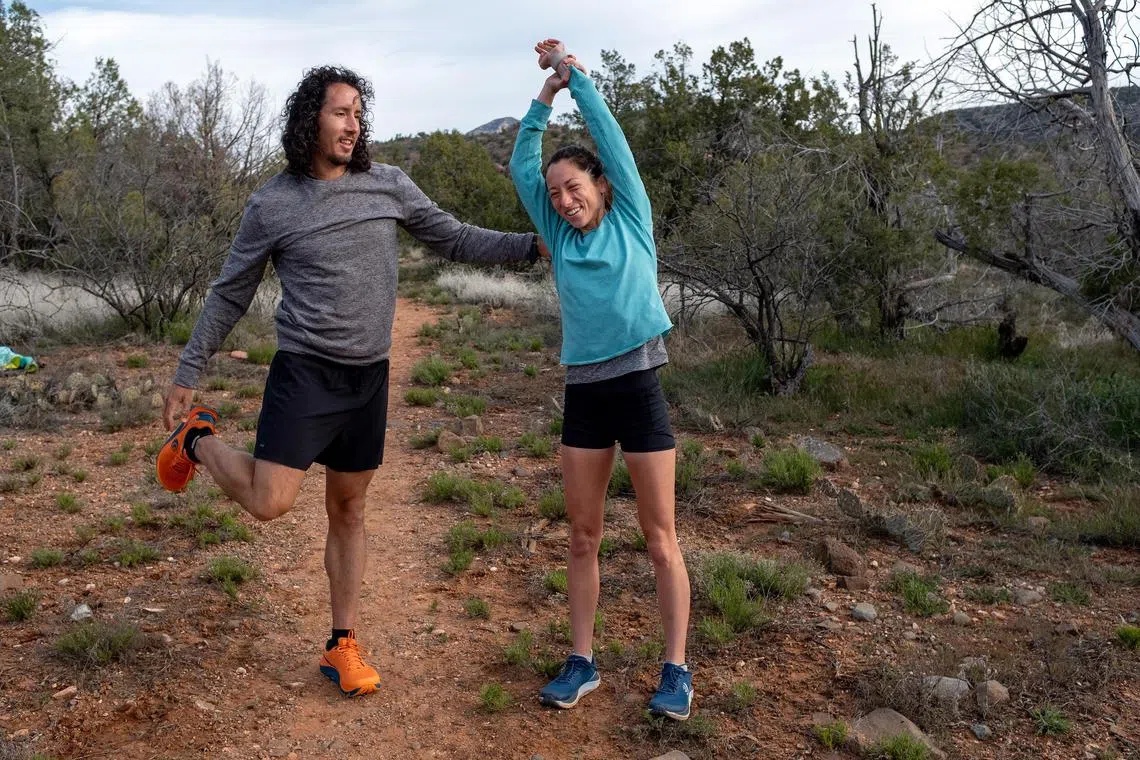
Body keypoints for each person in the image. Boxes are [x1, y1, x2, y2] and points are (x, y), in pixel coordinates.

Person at [158, 65, 544, 698]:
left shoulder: (385, 183)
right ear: (310, 118)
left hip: (369, 377)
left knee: (350, 506)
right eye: (341, 112)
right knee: (270, 502)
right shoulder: (273, 203)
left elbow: (453, 237)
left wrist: (530, 248)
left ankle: (342, 642)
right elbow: (232, 291)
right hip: (305, 372)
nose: (353, 124)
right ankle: (196, 440)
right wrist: (188, 371)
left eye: (359, 114)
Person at [509, 40, 693, 720]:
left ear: (601, 187)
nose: (563, 200)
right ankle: (581, 661)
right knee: (582, 535)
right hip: (584, 392)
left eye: (574, 188)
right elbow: (521, 165)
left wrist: (575, 78)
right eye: (554, 193)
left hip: (639, 386)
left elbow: (609, 137)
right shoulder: (557, 237)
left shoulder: (631, 217)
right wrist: (544, 99)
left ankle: (675, 669)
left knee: (658, 536)